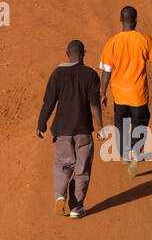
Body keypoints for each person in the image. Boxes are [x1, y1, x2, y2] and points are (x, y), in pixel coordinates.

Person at [37, 39, 103, 218]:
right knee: (82, 169)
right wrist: (100, 127)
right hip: (83, 130)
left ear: (68, 54)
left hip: (62, 130)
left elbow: (48, 102)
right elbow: (94, 103)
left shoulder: (57, 74)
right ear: (83, 54)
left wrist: (41, 124)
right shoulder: (90, 75)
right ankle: (76, 207)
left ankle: (59, 196)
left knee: (64, 164)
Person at [99, 6, 152, 176]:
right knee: (140, 125)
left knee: (121, 124)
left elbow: (106, 70)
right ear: (136, 20)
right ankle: (134, 153)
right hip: (138, 94)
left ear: (121, 20)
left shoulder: (112, 42)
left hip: (119, 94)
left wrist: (103, 93)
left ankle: (124, 155)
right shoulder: (144, 40)